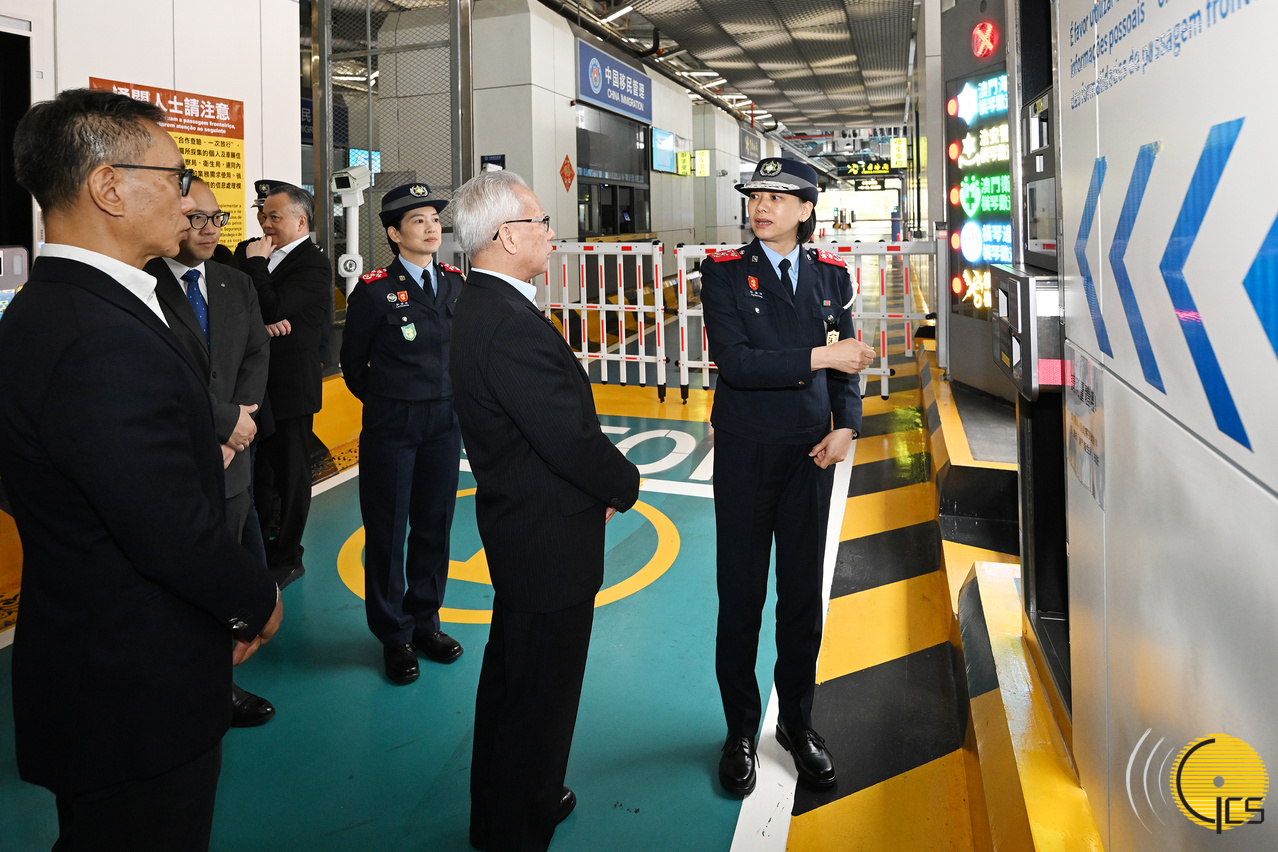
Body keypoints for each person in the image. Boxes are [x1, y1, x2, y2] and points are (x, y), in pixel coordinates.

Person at [0, 88, 282, 850]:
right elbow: (169, 528)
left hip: (95, 664)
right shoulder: (96, 335)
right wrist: (257, 598)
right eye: (175, 176)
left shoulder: (57, 308)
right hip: (133, 688)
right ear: (109, 187)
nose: (190, 199)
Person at [449, 170, 640, 852]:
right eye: (541, 221)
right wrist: (623, 484)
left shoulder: (486, 304)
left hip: (525, 528)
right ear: (506, 236)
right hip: (546, 538)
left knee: (516, 682)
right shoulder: (506, 323)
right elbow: (568, 437)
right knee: (541, 695)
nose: (552, 233)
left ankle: (508, 807)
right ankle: (517, 827)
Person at [698, 157, 876, 796]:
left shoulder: (831, 275)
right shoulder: (723, 273)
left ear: (806, 209)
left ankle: (797, 724)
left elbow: (848, 366)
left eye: (778, 197)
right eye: (756, 195)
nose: (762, 206)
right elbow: (739, 363)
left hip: (811, 455)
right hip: (746, 453)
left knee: (801, 596)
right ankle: (740, 730)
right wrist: (823, 356)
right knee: (741, 595)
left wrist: (846, 424)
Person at [145, 176, 277, 727]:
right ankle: (177, 685)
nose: (208, 229)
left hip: (233, 462)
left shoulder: (233, 282)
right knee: (177, 583)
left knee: (225, 575)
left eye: (217, 218)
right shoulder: (143, 284)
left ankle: (216, 682)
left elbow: (256, 353)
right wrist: (224, 425)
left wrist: (240, 423)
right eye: (195, 218)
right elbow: (154, 375)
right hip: (178, 460)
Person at [340, 183, 466, 685]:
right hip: (393, 426)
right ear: (394, 234)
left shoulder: (455, 282)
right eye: (418, 220)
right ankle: (394, 635)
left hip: (445, 424)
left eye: (434, 218)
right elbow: (354, 366)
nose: (431, 227)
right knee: (388, 529)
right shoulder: (373, 291)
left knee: (435, 524)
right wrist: (391, 402)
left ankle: (426, 622)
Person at [242, 183, 333, 588]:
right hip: (253, 385)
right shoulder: (251, 252)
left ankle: (288, 555)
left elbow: (272, 306)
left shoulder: (312, 264)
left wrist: (257, 267)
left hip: (290, 387)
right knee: (260, 473)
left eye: (274, 217)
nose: (265, 223)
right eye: (263, 215)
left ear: (301, 221)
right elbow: (242, 306)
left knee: (292, 474)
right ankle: (260, 545)